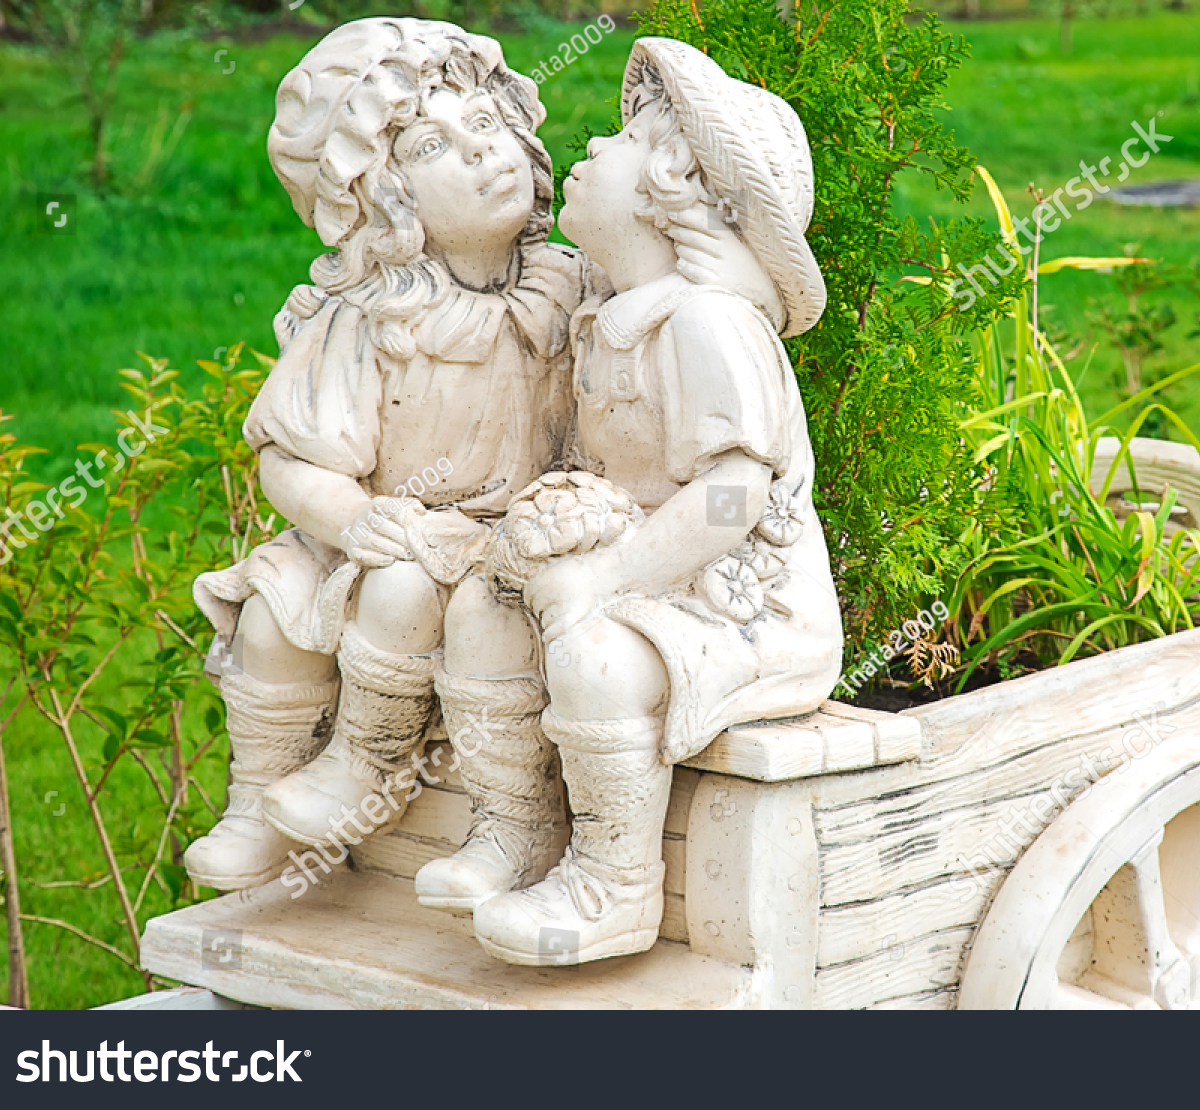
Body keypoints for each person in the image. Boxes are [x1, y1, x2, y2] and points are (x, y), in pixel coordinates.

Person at [463, 38, 844, 965]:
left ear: (677, 189)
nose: (592, 143)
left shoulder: (709, 326)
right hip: (645, 576)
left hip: (744, 607)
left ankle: (614, 885)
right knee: (480, 607)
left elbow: (734, 497)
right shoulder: (613, 311)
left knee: (593, 658)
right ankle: (512, 828)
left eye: (627, 135)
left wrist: (608, 576)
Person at [186, 18, 588, 891]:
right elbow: (290, 463)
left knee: (413, 594)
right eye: (438, 145)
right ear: (382, 200)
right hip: (376, 527)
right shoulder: (373, 318)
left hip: (504, 537)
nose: (486, 155)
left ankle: (372, 769)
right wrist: (359, 518)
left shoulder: (571, 289)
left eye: (489, 126)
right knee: (272, 617)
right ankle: (259, 805)